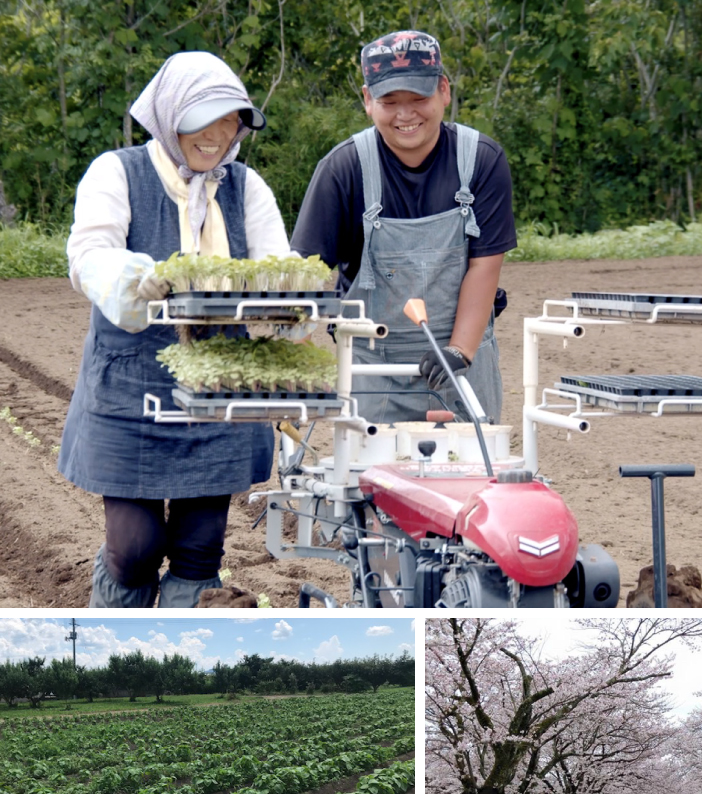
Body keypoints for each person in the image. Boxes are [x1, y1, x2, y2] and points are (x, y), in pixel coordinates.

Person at [59, 52, 290, 607]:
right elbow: (88, 252)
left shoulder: (245, 187)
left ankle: (178, 649)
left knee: (199, 544)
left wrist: (286, 308)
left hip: (220, 392)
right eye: (201, 119)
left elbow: (275, 263)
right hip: (132, 389)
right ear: (167, 117)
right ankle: (115, 638)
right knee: (133, 547)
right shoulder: (118, 172)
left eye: (230, 119)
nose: (216, 135)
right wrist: (133, 278)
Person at [291, 30, 517, 424]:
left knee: (468, 476)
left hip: (461, 365)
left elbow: (485, 265)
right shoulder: (343, 169)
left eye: (419, 99)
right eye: (389, 102)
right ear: (367, 101)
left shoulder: (481, 160)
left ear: (444, 91)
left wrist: (459, 352)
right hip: (372, 372)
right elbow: (302, 277)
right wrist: (303, 366)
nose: (405, 114)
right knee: (370, 481)